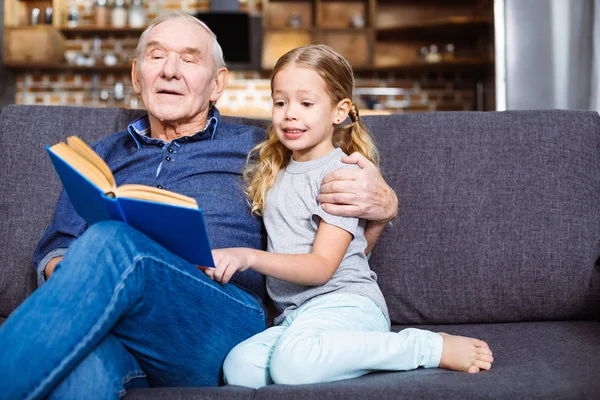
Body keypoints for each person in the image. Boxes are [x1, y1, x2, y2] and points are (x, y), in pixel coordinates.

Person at [0, 12, 398, 400]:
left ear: (217, 83)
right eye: (156, 57)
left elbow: (327, 244)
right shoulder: (101, 154)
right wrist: (83, 275)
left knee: (111, 239)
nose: (170, 70)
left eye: (189, 59)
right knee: (81, 377)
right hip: (117, 323)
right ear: (136, 75)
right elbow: (57, 247)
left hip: (216, 320)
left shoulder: (264, 150)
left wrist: (384, 207)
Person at [201, 44, 494, 389]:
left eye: (306, 103)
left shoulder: (341, 174)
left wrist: (248, 256)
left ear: (339, 112)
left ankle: (426, 346)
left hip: (348, 305)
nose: (290, 114)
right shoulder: (276, 170)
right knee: (239, 367)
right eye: (281, 102)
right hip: (296, 317)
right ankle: (323, 354)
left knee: (294, 363)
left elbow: (322, 267)